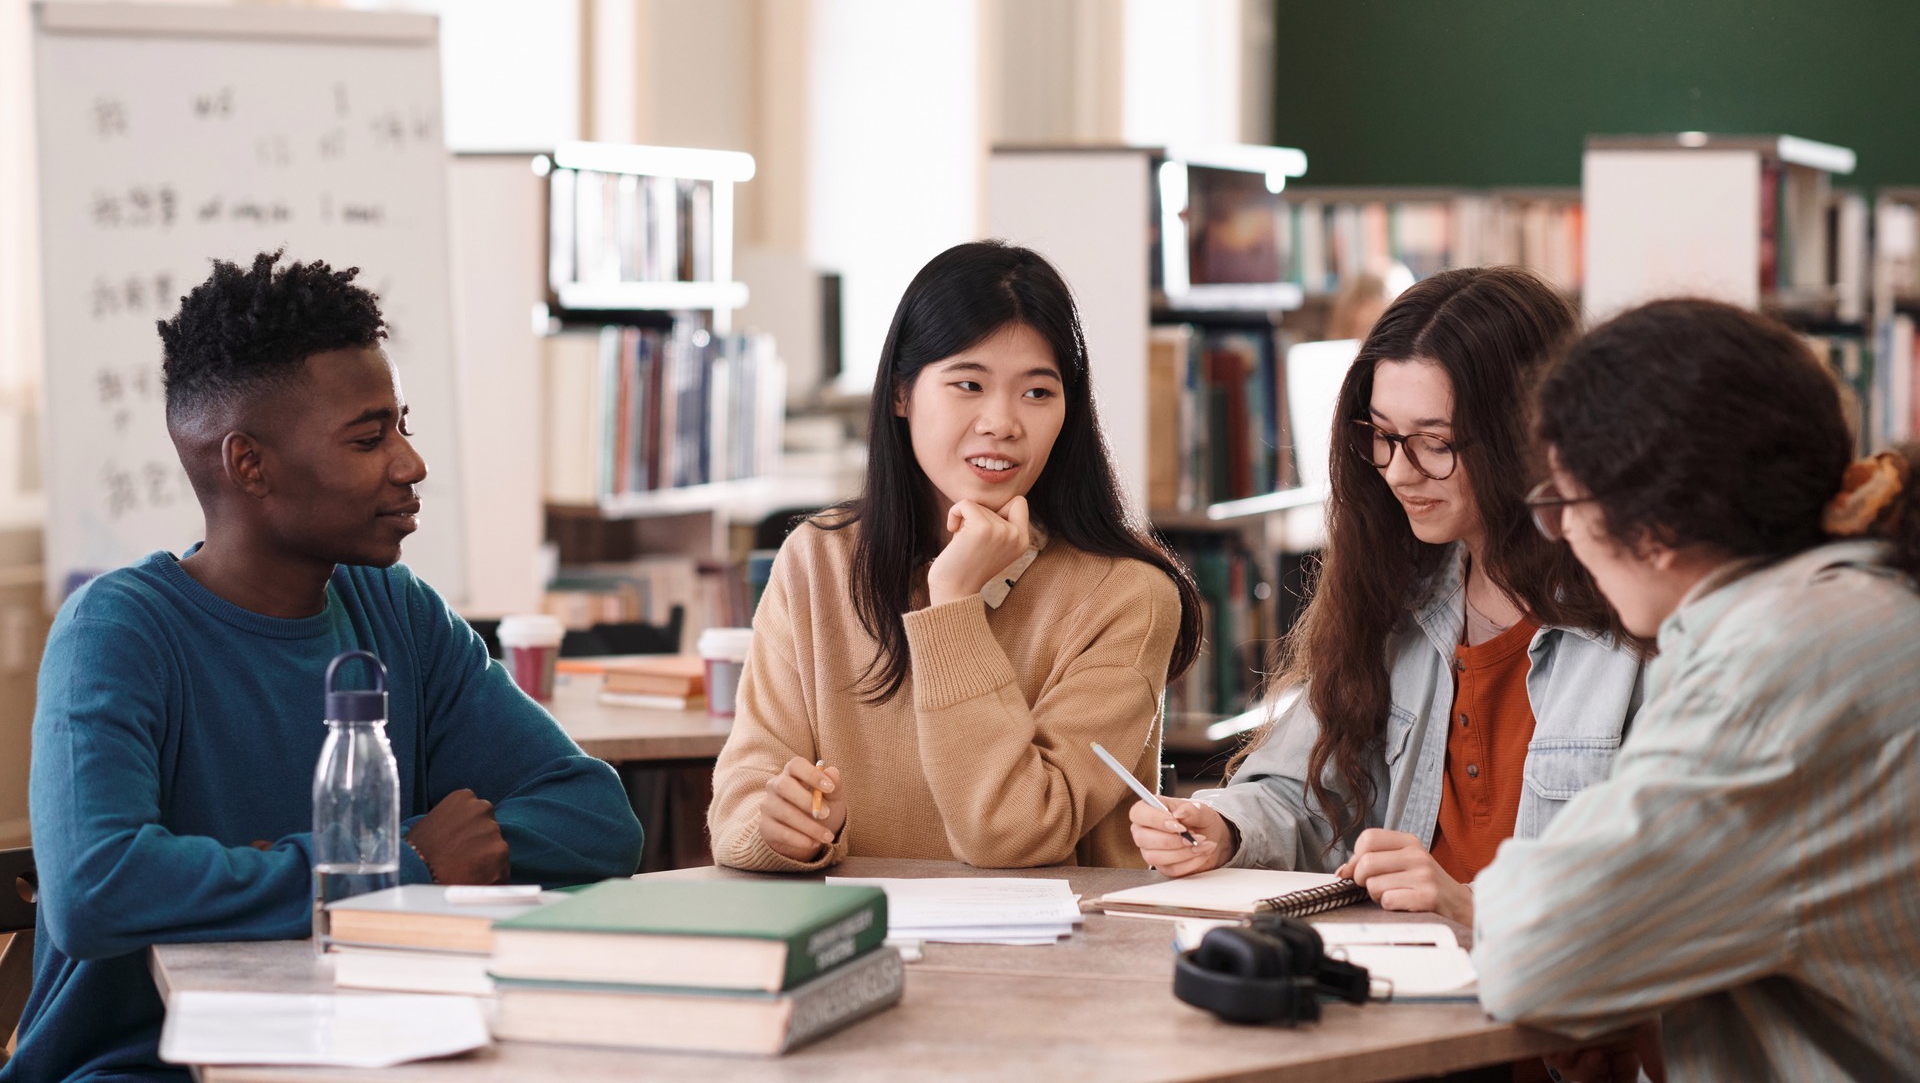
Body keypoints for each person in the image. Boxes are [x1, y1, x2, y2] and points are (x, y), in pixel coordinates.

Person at [5, 253, 643, 1083]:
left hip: (372, 1050)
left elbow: (596, 818)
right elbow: (99, 891)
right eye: (370, 437)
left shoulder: (398, 611)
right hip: (141, 1070)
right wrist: (396, 868)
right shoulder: (120, 631)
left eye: (402, 426)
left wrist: (402, 862)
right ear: (249, 465)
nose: (410, 464)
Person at [1474, 298, 1920, 1081]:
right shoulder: (1866, 608)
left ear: (1652, 524)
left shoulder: (1774, 668)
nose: (1566, 536)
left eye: (1563, 503)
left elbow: (1532, 952)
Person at [1130, 267, 1644, 931]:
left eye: (1435, 442)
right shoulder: (1397, 590)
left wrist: (1473, 907)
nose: (1400, 471)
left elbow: (1665, 890)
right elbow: (1302, 791)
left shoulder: (1638, 620)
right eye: (1382, 435)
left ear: (1527, 436)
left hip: (1555, 1009)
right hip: (1405, 987)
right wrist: (1221, 826)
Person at [707, 241, 1202, 871]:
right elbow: (740, 807)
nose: (1001, 422)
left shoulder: (1126, 595)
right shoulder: (818, 561)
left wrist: (954, 607)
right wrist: (781, 830)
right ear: (901, 395)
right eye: (969, 383)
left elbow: (1013, 833)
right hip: (861, 937)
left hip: (1060, 958)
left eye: (1037, 393)